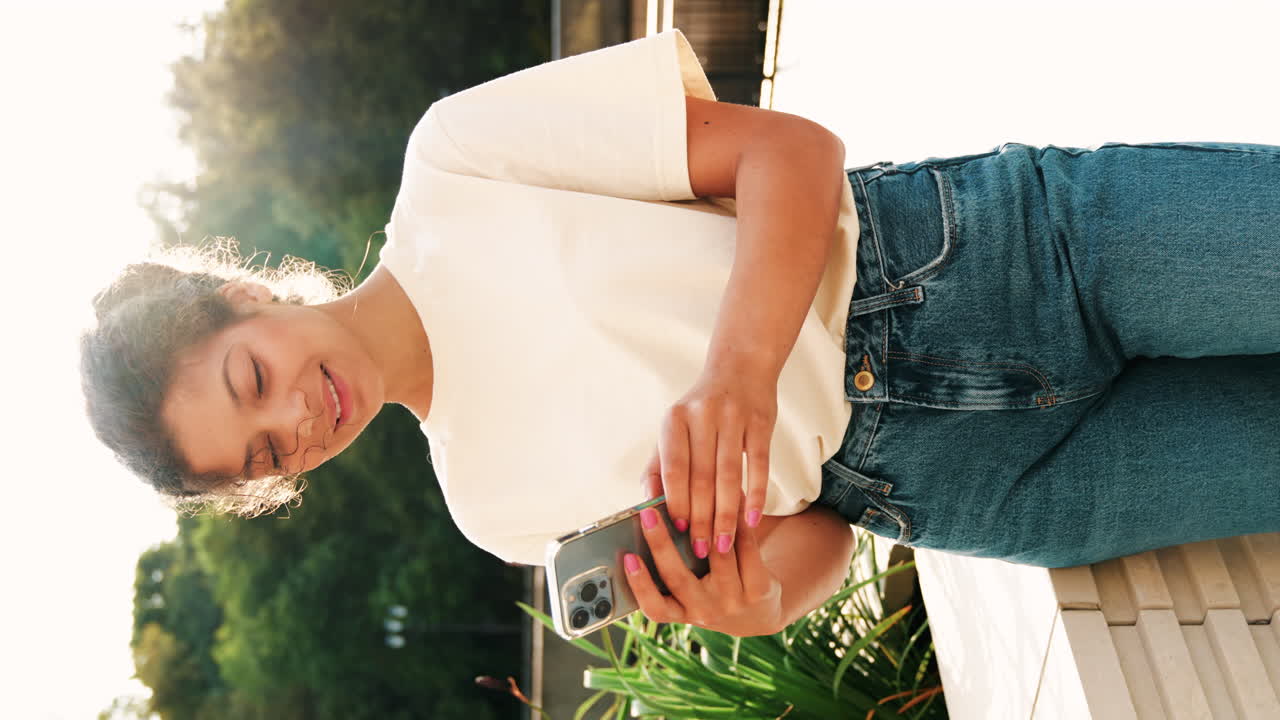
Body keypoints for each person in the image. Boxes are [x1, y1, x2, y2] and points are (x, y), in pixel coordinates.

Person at [81, 29, 1280, 639]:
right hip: (990, 490)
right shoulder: (491, 511)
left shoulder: (454, 161)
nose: (293, 422)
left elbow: (788, 154)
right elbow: (811, 530)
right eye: (261, 458)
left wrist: (740, 372)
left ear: (249, 300)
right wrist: (751, 599)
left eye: (251, 382)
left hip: (1009, 254)